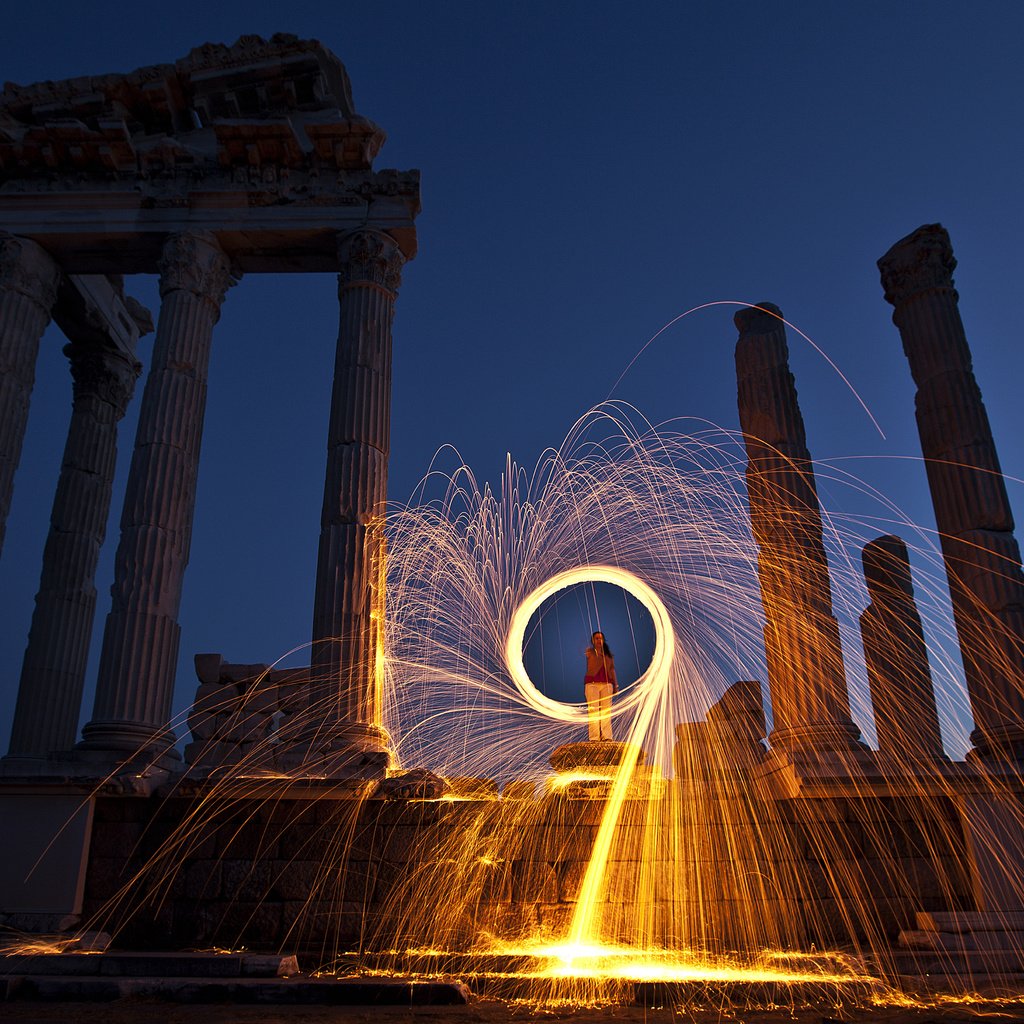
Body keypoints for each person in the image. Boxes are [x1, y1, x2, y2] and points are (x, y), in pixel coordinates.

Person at [584, 631, 617, 741]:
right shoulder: (590, 652)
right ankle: (594, 738)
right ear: (593, 641)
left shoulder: (608, 655)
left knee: (606, 712)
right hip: (592, 684)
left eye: (601, 638)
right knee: (593, 711)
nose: (599, 640)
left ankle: (607, 737)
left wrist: (615, 685)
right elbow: (595, 663)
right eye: (597, 638)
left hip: (606, 685)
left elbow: (612, 670)